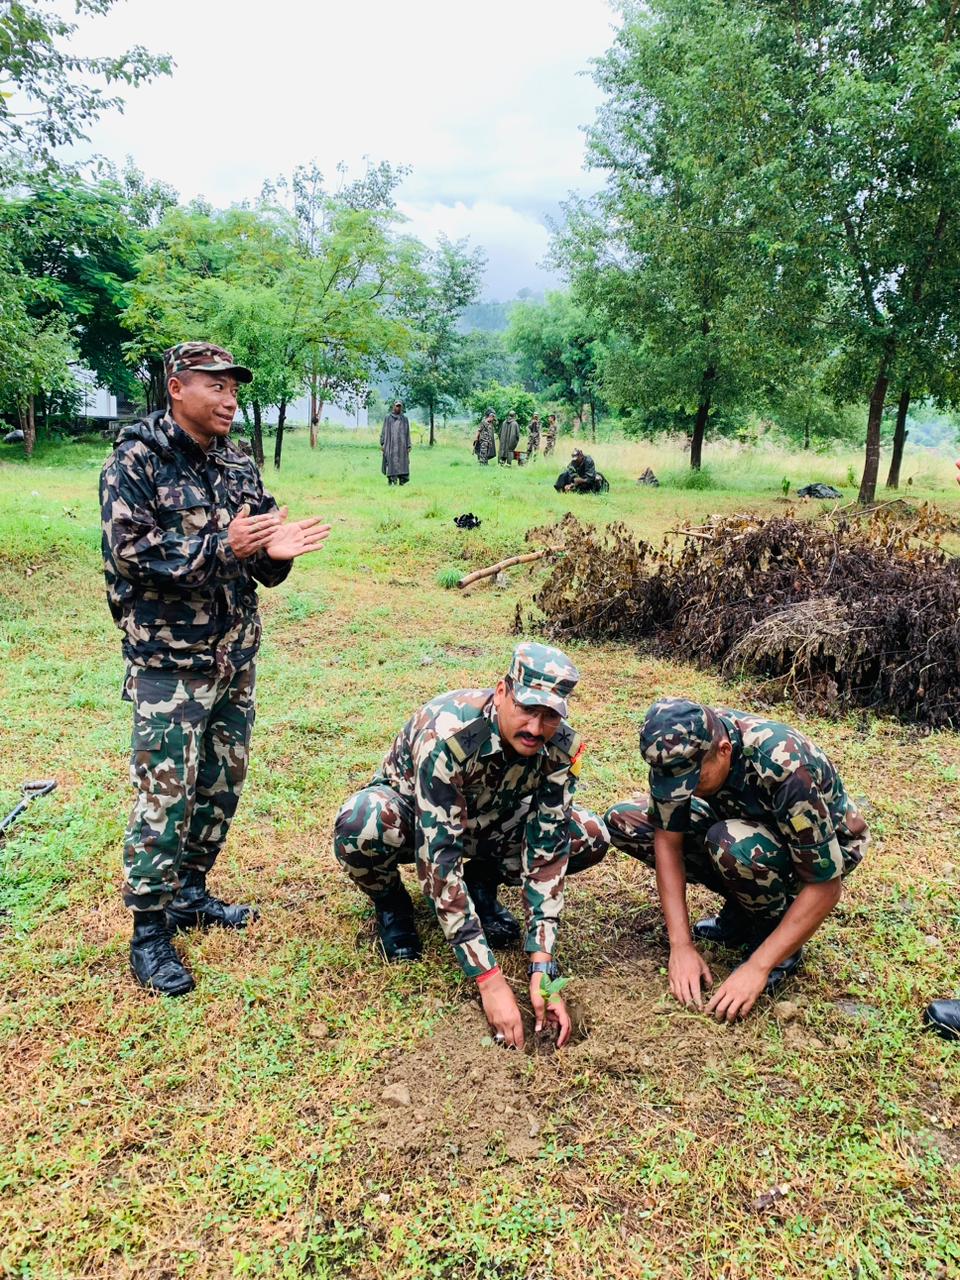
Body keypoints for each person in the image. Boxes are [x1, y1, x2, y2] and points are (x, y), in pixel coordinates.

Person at [100, 341, 331, 997]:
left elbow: (260, 555)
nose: (231, 398)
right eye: (217, 385)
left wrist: (274, 554)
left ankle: (191, 894)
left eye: (235, 388)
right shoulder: (135, 460)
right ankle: (150, 932)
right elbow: (130, 555)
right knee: (165, 794)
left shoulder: (236, 463)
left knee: (221, 783)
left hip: (234, 655)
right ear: (177, 387)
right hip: (170, 663)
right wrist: (221, 546)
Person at [334, 642, 609, 1049]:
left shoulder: (562, 749)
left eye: (549, 716)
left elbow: (548, 848)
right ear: (502, 692)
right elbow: (439, 856)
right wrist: (489, 979)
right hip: (419, 820)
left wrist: (542, 965)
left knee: (587, 833)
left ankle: (482, 887)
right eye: (526, 709)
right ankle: (392, 905)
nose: (535, 728)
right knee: (362, 824)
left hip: (489, 824)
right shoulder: (449, 736)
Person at [605, 698, 869, 1022]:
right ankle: (743, 913)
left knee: (730, 843)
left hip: (821, 851)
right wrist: (681, 945)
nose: (682, 793)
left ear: (724, 751)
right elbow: (668, 842)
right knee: (627, 821)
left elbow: (826, 886)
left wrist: (757, 968)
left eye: (692, 783)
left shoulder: (784, 766)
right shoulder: (676, 753)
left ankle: (774, 937)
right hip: (739, 824)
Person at [381, 401, 411, 486]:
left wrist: (409, 445)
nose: (398, 408)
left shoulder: (405, 419)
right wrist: (382, 443)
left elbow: (407, 433)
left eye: (400, 406)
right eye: (397, 406)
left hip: (402, 446)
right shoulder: (388, 418)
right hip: (390, 445)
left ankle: (402, 481)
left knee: (403, 463)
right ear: (393, 407)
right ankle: (391, 480)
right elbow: (384, 431)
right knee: (391, 462)